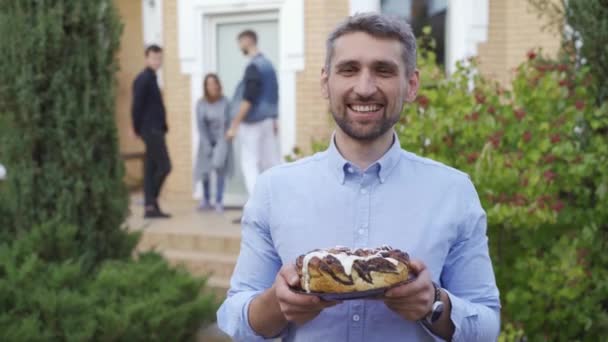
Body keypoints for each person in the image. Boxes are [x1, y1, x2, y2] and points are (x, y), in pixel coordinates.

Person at [217, 13, 500, 341]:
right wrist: (278, 304)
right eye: (349, 69)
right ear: (326, 82)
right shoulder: (273, 189)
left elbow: (487, 324)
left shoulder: (454, 192)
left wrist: (434, 304)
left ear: (411, 85)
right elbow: (235, 318)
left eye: (383, 70)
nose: (364, 88)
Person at [226, 29, 280, 198]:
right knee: (271, 162)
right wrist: (274, 120)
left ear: (247, 41)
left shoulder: (254, 66)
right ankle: (278, 202)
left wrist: (234, 125)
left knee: (250, 164)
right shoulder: (268, 64)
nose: (239, 47)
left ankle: (257, 208)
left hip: (252, 123)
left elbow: (248, 98)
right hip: (267, 121)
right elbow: (273, 94)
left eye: (240, 43)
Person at [131, 44, 171, 219]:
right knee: (164, 166)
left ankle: (150, 208)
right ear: (147, 58)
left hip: (156, 129)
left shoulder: (152, 78)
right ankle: (150, 201)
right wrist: (135, 128)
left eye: (159, 58)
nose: (157, 61)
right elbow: (136, 105)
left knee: (151, 168)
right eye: (154, 58)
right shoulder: (143, 79)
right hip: (150, 130)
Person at [193, 73, 234, 214]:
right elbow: (200, 125)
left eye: (214, 83)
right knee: (204, 170)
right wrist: (206, 144)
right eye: (208, 84)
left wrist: (224, 141)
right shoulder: (201, 103)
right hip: (206, 139)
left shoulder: (225, 102)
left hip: (222, 139)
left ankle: (219, 201)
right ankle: (206, 199)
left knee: (219, 167)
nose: (212, 86)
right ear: (205, 86)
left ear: (218, 85)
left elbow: (229, 123)